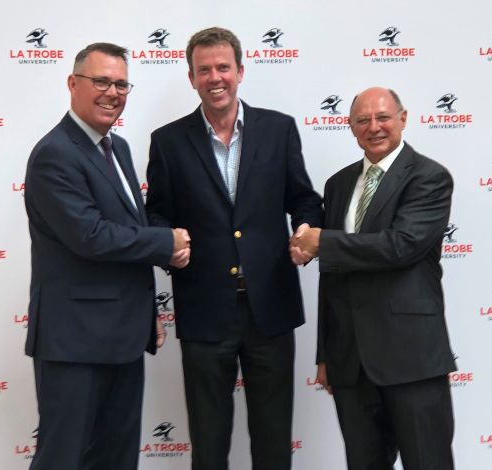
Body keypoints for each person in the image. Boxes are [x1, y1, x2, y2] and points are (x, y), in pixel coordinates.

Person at [146, 27, 322, 470]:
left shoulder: (279, 129)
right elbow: (157, 214)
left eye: (223, 67)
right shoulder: (168, 141)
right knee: (208, 444)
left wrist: (305, 230)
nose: (215, 78)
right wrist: (167, 244)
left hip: (271, 309)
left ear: (240, 71)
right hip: (204, 311)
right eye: (204, 70)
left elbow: (303, 197)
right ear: (191, 78)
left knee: (273, 441)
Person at [23, 42, 190, 470]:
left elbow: (128, 228)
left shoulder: (118, 149)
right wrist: (165, 244)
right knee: (63, 458)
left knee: (116, 459)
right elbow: (91, 236)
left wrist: (145, 308)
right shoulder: (55, 154)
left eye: (121, 84)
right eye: (101, 81)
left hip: (123, 336)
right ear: (73, 83)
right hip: (74, 343)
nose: (112, 92)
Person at [290, 87, 456, 470]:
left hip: (411, 360)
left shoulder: (429, 177)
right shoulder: (338, 184)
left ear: (403, 118)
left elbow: (400, 246)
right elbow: (332, 275)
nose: (374, 127)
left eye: (383, 117)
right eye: (362, 120)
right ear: (351, 127)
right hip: (351, 364)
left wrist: (322, 242)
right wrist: (325, 354)